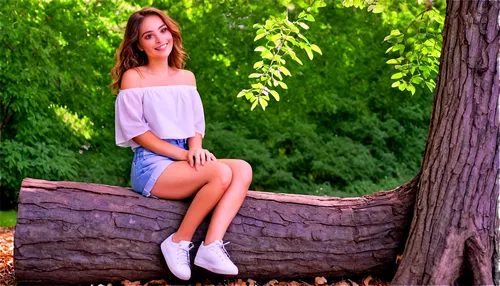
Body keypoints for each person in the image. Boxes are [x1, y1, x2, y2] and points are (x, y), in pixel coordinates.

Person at [110, 7, 252, 281]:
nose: (160, 39)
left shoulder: (186, 78)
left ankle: (211, 246)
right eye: (149, 36)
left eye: (163, 31)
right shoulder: (134, 78)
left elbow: (194, 126)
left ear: (171, 32)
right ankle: (177, 241)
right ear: (138, 44)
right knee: (221, 172)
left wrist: (195, 149)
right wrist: (183, 155)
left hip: (183, 155)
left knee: (243, 169)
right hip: (151, 163)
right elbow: (138, 133)